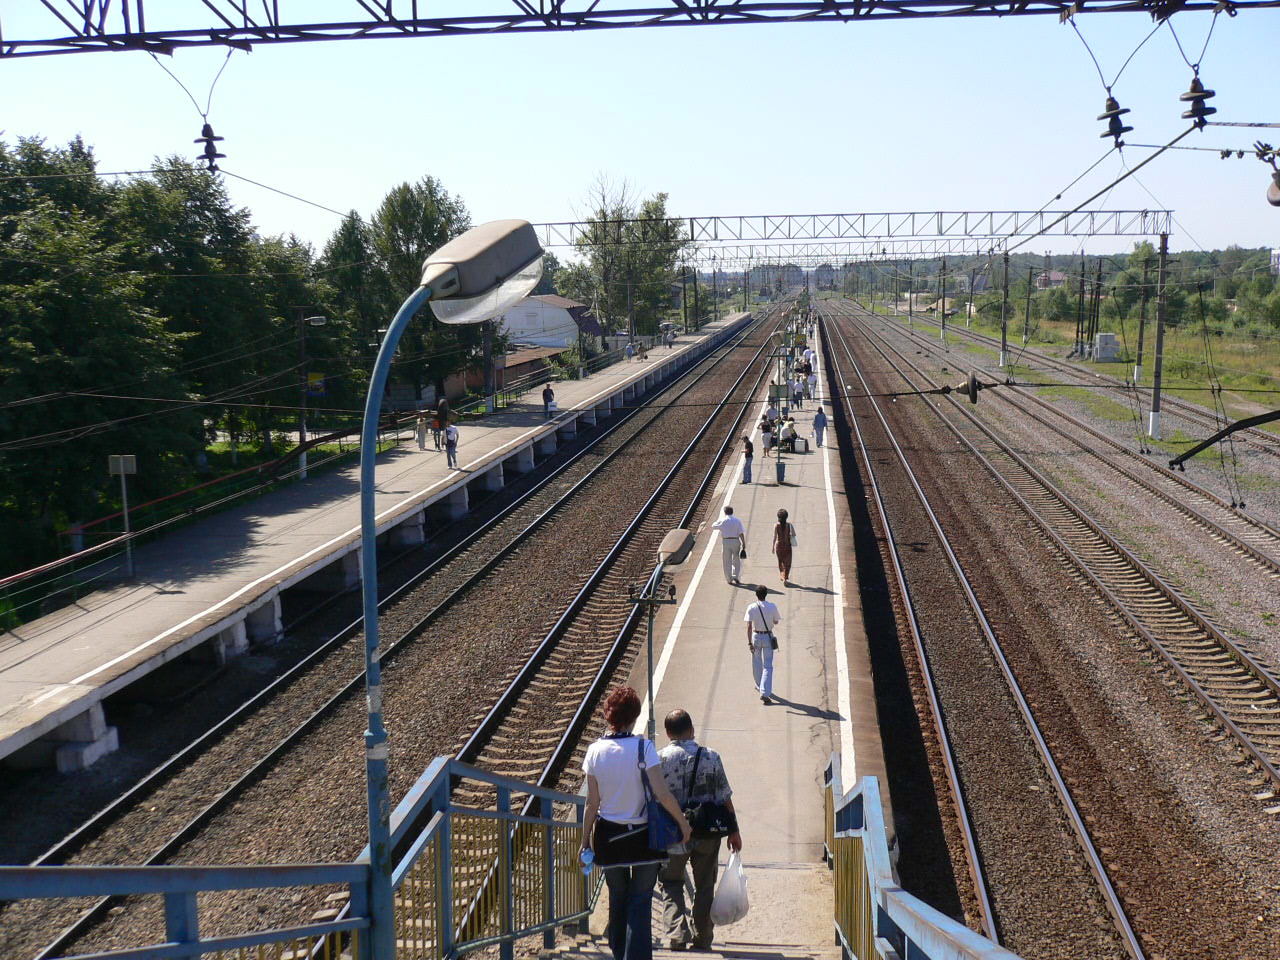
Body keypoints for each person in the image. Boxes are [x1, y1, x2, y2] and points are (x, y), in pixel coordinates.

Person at [582, 687, 692, 960]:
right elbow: (662, 794)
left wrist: (584, 840)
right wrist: (683, 824)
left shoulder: (594, 751)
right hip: (644, 837)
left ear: (609, 716)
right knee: (640, 900)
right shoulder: (645, 748)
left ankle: (619, 954)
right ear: (635, 717)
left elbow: (591, 804)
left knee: (618, 898)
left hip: (608, 838)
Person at [656, 709, 742, 951]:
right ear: (692, 730)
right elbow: (724, 797)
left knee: (670, 880)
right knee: (705, 884)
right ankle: (703, 936)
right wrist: (734, 831)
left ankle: (677, 933)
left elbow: (653, 798)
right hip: (707, 833)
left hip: (672, 833)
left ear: (668, 733)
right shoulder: (711, 757)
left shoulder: (659, 758)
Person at [744, 586, 781, 703]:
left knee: (756, 662)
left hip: (756, 636)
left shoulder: (751, 607)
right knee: (768, 665)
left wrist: (749, 642)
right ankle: (764, 692)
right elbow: (776, 621)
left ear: (756, 594)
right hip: (767, 637)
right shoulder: (772, 606)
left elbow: (749, 626)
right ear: (766, 594)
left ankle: (759, 685)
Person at [712, 505, 746, 584]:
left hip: (726, 541)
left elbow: (713, 526)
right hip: (736, 541)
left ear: (725, 512)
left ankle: (729, 579)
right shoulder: (737, 521)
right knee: (736, 559)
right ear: (732, 512)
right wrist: (743, 543)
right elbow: (741, 533)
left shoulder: (723, 520)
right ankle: (735, 576)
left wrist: (720, 520)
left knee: (727, 560)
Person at [772, 508, 795, 584]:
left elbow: (774, 537)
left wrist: (772, 547)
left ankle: (783, 576)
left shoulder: (776, 525)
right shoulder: (789, 525)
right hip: (787, 545)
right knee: (787, 562)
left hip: (779, 546)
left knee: (781, 562)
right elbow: (794, 534)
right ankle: (785, 577)